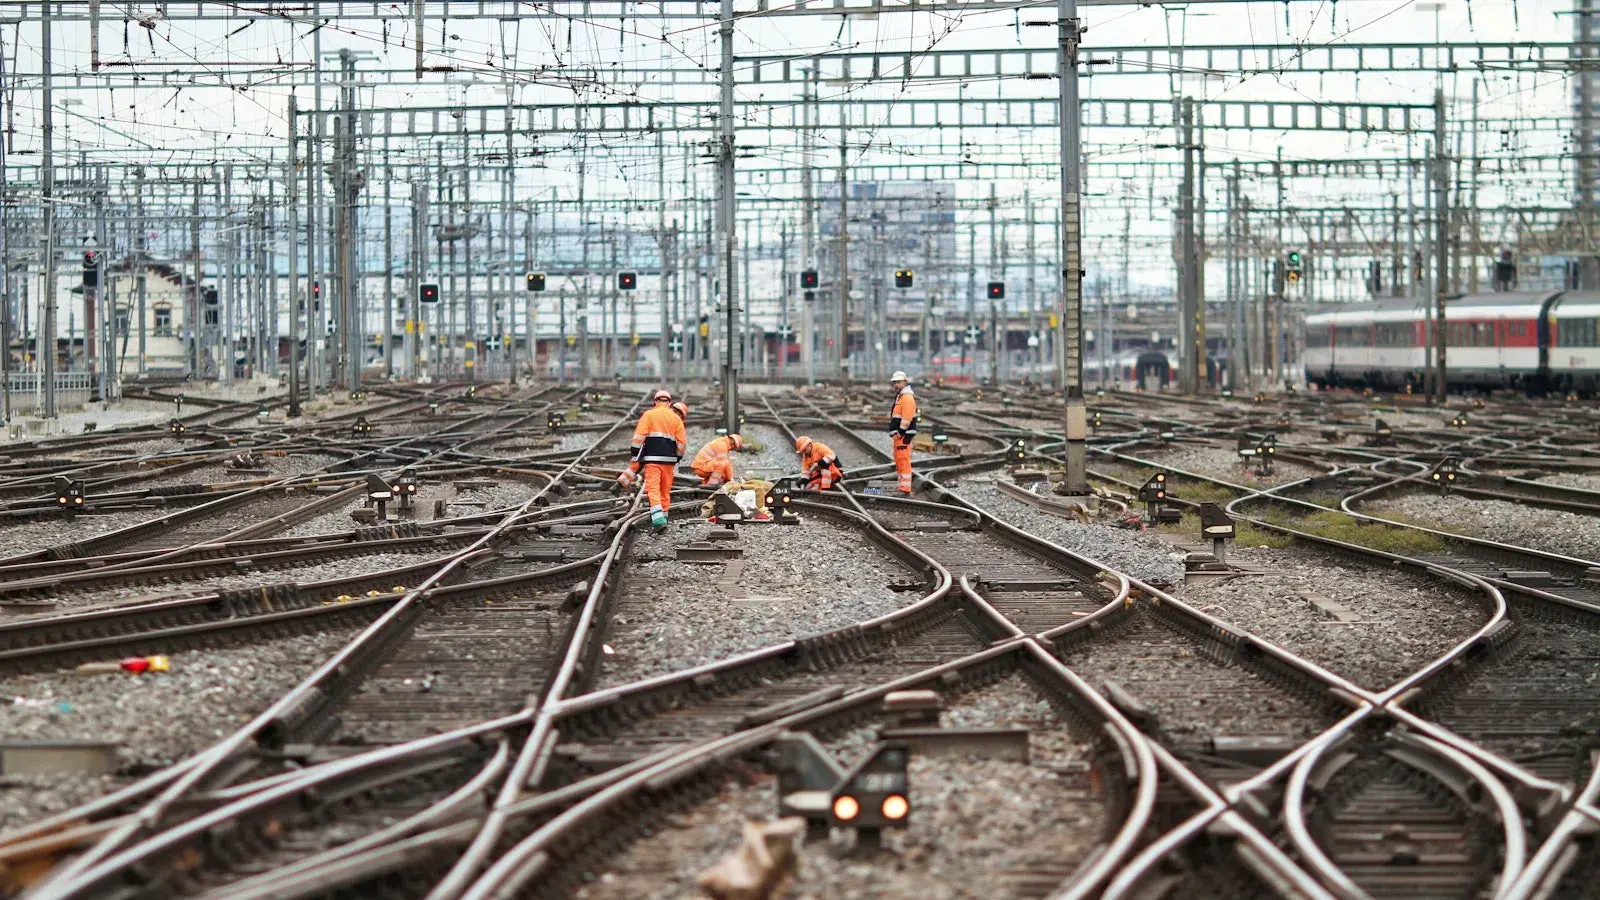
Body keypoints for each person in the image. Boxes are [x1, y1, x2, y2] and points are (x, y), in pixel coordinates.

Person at [620, 389, 687, 530]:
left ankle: (658, 521)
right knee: (665, 490)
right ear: (669, 403)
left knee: (653, 489)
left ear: (655, 401)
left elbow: (639, 437)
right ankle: (664, 518)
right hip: (669, 461)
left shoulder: (649, 415)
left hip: (652, 460)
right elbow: (682, 444)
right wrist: (677, 457)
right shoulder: (676, 419)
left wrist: (635, 452)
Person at [887, 371, 918, 494]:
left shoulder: (907, 398)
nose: (896, 385)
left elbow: (906, 419)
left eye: (898, 382)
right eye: (894, 382)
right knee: (900, 461)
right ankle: (901, 487)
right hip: (900, 437)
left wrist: (899, 433)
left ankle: (905, 490)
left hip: (903, 436)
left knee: (903, 461)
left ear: (905, 382)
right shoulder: (901, 397)